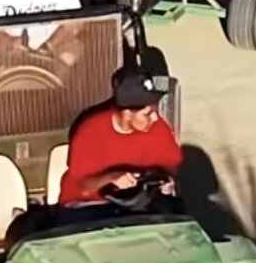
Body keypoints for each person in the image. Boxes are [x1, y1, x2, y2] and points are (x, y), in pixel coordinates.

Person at [58, 66, 183, 205]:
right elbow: (84, 188)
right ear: (127, 113)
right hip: (89, 205)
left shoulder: (157, 127)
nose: (155, 118)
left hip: (139, 203)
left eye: (155, 111)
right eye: (148, 114)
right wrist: (112, 178)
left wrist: (167, 180)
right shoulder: (90, 132)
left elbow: (172, 165)